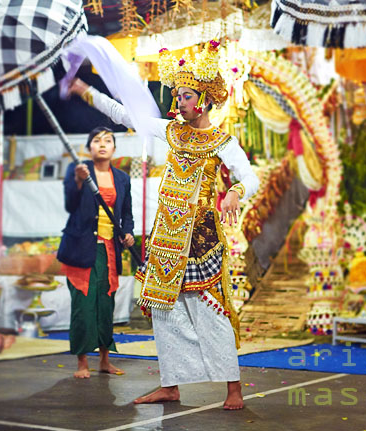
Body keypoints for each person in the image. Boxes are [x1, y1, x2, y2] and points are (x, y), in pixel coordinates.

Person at [68, 40, 259, 410]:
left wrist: (235, 191)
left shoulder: (222, 141)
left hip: (201, 240)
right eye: (177, 96)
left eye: (186, 96)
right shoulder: (171, 131)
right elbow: (124, 115)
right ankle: (170, 385)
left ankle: (233, 388)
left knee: (210, 311)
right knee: (165, 315)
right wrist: (85, 91)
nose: (179, 103)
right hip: (166, 238)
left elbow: (250, 177)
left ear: (203, 97)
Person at [57, 126, 135, 378]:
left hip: (110, 251)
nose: (102, 144)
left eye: (108, 140)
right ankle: (82, 362)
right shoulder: (78, 171)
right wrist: (79, 181)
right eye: (97, 141)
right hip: (82, 249)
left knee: (105, 304)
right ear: (89, 147)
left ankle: (104, 359)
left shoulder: (122, 178)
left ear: (114, 148)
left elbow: (126, 215)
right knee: (83, 305)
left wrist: (129, 232)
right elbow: (70, 205)